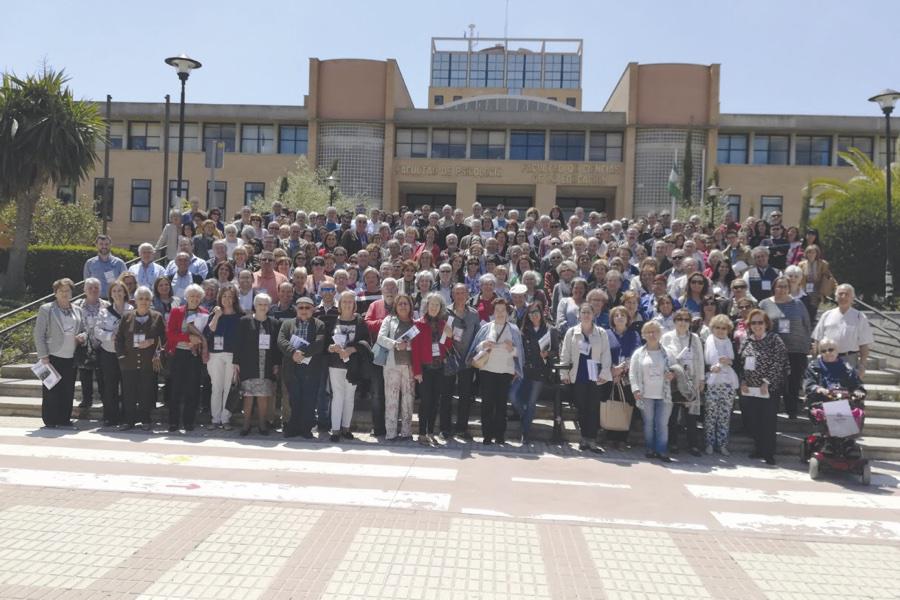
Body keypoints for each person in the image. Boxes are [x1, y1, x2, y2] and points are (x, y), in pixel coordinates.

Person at [467, 298, 525, 445]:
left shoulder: (514, 329)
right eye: (497, 310)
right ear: (493, 312)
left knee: (501, 405)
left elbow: (520, 354)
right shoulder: (486, 327)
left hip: (505, 371)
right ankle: (487, 435)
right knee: (487, 404)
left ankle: (500, 435)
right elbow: (476, 349)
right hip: (487, 370)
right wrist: (483, 344)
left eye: (502, 310)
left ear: (507, 312)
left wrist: (512, 349)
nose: (500, 313)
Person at [737, 309, 788, 465]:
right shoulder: (747, 341)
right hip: (750, 389)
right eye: (754, 323)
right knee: (753, 420)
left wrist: (767, 382)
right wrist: (743, 381)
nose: (757, 325)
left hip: (768, 389)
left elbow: (779, 362)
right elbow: (740, 362)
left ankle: (768, 453)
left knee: (768, 421)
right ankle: (758, 449)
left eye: (760, 322)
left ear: (766, 324)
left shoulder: (775, 339)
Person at [33, 278, 87, 428]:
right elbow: (39, 334)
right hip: (51, 356)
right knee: (50, 389)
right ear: (55, 293)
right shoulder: (46, 309)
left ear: (71, 292)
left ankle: (64, 419)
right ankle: (50, 420)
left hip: (71, 356)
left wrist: (82, 337)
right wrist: (43, 356)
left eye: (67, 290)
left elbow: (84, 330)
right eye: (61, 291)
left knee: (68, 389)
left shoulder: (78, 310)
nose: (65, 293)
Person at [559, 302, 612, 453]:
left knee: (593, 408)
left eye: (589, 312)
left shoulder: (601, 333)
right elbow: (565, 354)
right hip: (578, 375)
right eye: (584, 312)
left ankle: (592, 440)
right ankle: (583, 438)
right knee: (581, 408)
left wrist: (604, 373)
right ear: (579, 315)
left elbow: (606, 355)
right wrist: (564, 374)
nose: (587, 315)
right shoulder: (571, 332)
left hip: (595, 377)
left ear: (594, 315)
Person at [760, 277, 812, 419]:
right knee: (774, 381)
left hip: (796, 349)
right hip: (773, 350)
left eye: (784, 286)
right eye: (779, 286)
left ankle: (792, 410)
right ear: (773, 288)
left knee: (794, 381)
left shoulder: (798, 303)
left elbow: (807, 324)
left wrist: (808, 345)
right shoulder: (764, 304)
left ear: (789, 288)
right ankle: (773, 410)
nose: (781, 289)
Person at [115, 286, 165, 431]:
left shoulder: (157, 316)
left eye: (147, 299)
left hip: (148, 362)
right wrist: (122, 356)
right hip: (128, 362)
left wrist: (152, 342)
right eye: (141, 298)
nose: (144, 301)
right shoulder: (127, 316)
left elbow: (164, 338)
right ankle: (128, 421)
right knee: (128, 392)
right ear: (135, 300)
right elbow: (119, 339)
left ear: (151, 301)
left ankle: (145, 420)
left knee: (146, 392)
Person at [278, 296, 327, 439]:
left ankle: (306, 429)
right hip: (291, 367)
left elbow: (319, 344)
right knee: (294, 399)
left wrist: (302, 353)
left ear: (313, 309)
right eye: (301, 307)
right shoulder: (287, 324)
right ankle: (293, 428)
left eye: (307, 307)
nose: (304, 310)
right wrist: (293, 353)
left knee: (309, 399)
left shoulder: (319, 325)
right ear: (296, 309)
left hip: (311, 369)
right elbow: (281, 341)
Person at [233, 293, 282, 436]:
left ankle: (262, 424)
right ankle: (246, 424)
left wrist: (276, 364)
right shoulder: (244, 321)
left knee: (263, 395)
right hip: (248, 364)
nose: (263, 307)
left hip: (266, 365)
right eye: (260, 304)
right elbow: (238, 343)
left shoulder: (274, 323)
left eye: (266, 304)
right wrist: (236, 362)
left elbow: (276, 346)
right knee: (248, 395)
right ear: (255, 305)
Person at [325, 290, 371, 442]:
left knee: (349, 397)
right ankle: (335, 430)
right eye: (344, 301)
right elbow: (326, 342)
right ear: (339, 304)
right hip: (335, 364)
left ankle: (346, 428)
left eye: (350, 301)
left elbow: (366, 343)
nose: (347, 304)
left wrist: (352, 349)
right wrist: (331, 348)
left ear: (354, 304)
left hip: (353, 365)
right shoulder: (333, 320)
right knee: (337, 396)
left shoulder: (359, 321)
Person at [410, 293, 454, 444]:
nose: (434, 308)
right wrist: (417, 371)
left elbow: (446, 348)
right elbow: (414, 350)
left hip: (439, 369)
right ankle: (422, 432)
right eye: (431, 304)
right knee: (425, 402)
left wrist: (449, 336)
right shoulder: (418, 324)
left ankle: (430, 432)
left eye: (437, 305)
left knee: (435, 402)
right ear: (426, 306)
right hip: (425, 369)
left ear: (441, 308)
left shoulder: (443, 324)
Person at [661, 308, 705, 456]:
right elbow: (662, 358)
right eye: (680, 319)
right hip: (673, 380)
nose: (683, 323)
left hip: (690, 379)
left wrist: (701, 379)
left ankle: (693, 445)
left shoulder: (695, 338)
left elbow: (700, 360)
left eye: (686, 320)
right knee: (672, 415)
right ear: (674, 321)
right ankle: (672, 443)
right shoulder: (666, 337)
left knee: (691, 416)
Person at [629, 321, 676, 462]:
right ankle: (650, 448)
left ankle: (661, 450)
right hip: (645, 394)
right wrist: (635, 389)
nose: (652, 334)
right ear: (643, 335)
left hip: (664, 394)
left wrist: (672, 374)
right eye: (648, 332)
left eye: (655, 331)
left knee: (662, 424)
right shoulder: (638, 354)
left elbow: (676, 369)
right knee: (648, 423)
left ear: (660, 334)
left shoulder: (668, 353)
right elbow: (632, 373)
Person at [164, 284, 208, 432]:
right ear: (186, 297)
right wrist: (188, 337)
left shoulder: (204, 313)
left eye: (197, 296)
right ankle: (173, 422)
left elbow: (206, 335)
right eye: (192, 296)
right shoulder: (177, 312)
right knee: (176, 389)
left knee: (193, 389)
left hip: (194, 355)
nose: (194, 299)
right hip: (179, 353)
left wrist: (199, 341)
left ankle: (189, 421)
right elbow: (170, 334)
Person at [812, 283, 874, 377]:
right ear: (836, 297)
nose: (843, 296)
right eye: (840, 294)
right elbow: (817, 339)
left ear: (852, 298)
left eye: (847, 294)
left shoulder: (859, 317)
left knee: (848, 390)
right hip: (827, 358)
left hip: (849, 359)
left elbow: (864, 345)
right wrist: (816, 359)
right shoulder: (827, 315)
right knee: (828, 389)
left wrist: (862, 365)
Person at [377, 294, 417, 441]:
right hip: (391, 365)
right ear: (396, 305)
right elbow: (380, 338)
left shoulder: (415, 322)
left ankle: (406, 432)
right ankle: (391, 432)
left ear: (410, 306)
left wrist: (410, 346)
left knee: (408, 399)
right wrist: (395, 344)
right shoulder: (389, 320)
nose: (403, 306)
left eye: (406, 303)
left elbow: (419, 343)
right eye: (400, 304)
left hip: (410, 366)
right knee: (391, 399)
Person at [94, 281, 133, 428]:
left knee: (127, 386)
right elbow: (97, 331)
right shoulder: (104, 311)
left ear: (125, 293)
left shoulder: (132, 310)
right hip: (109, 353)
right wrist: (111, 336)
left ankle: (127, 417)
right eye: (114, 291)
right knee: (110, 386)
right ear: (110, 294)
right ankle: (110, 417)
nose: (117, 293)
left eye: (120, 291)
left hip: (128, 354)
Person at [204, 284, 243, 429]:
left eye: (230, 297)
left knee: (228, 388)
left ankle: (225, 419)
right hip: (215, 355)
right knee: (216, 387)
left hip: (232, 356)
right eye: (224, 296)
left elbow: (242, 340)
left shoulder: (240, 317)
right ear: (220, 298)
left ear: (234, 299)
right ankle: (215, 419)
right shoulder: (214, 314)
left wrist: (239, 361)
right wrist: (217, 315)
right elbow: (208, 333)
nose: (227, 299)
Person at [445, 283, 481, 439]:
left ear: (468, 295)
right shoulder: (445, 312)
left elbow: (478, 336)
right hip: (449, 359)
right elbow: (441, 337)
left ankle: (461, 428)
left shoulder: (474, 314)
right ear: (452, 295)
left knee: (465, 396)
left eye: (463, 293)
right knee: (446, 395)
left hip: (467, 361)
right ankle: (445, 428)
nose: (460, 296)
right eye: (457, 293)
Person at [606, 305, 642, 449]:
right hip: (609, 375)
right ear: (612, 319)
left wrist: (621, 370)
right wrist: (612, 370)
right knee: (610, 405)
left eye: (623, 315)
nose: (619, 317)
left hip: (627, 377)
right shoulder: (606, 334)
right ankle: (609, 436)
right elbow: (602, 353)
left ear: (628, 319)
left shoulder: (634, 335)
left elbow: (636, 354)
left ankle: (622, 439)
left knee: (626, 406)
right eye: (616, 315)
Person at [704, 314, 739, 455]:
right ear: (712, 328)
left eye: (723, 328)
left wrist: (728, 361)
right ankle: (709, 443)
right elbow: (706, 361)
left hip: (727, 383)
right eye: (717, 328)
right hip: (713, 382)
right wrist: (712, 367)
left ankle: (723, 444)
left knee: (724, 416)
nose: (720, 331)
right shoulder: (709, 340)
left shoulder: (729, 342)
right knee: (711, 415)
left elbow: (734, 361)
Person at [74, 278, 106, 418]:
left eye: (96, 288)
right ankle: (87, 399)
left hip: (102, 345)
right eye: (90, 288)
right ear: (84, 290)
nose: (93, 290)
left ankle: (105, 399)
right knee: (85, 374)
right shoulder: (76, 305)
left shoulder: (107, 305)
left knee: (102, 375)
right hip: (84, 345)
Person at [803, 337, 866, 404]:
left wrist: (858, 391)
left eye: (830, 350)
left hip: (844, 402)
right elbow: (809, 383)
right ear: (820, 353)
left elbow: (857, 384)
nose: (827, 353)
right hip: (820, 402)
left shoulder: (847, 368)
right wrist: (817, 388)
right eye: (823, 351)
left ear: (837, 351)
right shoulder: (813, 367)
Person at [798, 244, 834, 322]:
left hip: (817, 290)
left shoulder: (823, 264)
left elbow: (828, 276)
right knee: (805, 308)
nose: (811, 254)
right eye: (809, 252)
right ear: (806, 253)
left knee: (813, 308)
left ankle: (811, 323)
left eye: (813, 252)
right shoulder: (801, 264)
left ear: (817, 254)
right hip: (805, 289)